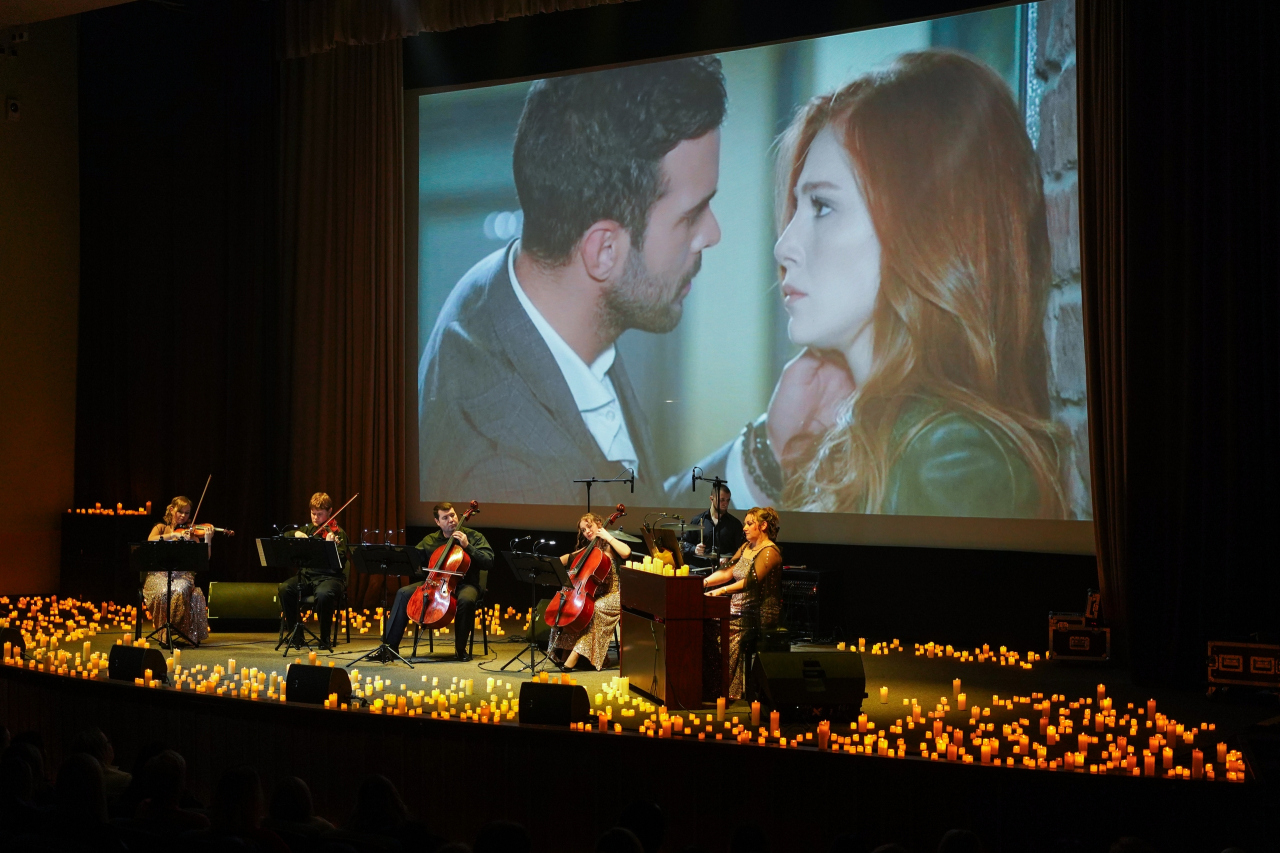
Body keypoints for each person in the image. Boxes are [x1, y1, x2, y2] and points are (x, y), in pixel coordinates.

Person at [701, 50, 1068, 519]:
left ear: (924, 227)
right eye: (797, 208)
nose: (784, 246)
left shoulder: (950, 461)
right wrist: (771, 450)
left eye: (822, 206)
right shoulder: (870, 443)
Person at [418, 57, 727, 505]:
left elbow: (635, 508)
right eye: (691, 215)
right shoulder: (512, 480)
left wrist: (762, 452)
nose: (712, 234)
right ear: (604, 251)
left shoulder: (511, 289)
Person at [382, 502, 494, 662]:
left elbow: (488, 561)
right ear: (437, 522)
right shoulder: (430, 540)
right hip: (435, 583)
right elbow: (413, 559)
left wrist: (467, 546)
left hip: (466, 584)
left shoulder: (473, 537)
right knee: (403, 593)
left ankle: (460, 650)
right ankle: (390, 648)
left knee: (466, 600)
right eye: (445, 517)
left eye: (453, 515)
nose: (451, 520)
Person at [702, 507, 781, 699]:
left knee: (722, 628)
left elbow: (749, 583)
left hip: (757, 614)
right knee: (705, 622)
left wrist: (721, 591)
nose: (744, 527)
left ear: (763, 526)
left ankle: (725, 688)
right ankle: (710, 685)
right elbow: (727, 572)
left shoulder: (769, 551)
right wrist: (703, 583)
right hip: (737, 608)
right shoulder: (746, 547)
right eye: (745, 523)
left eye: (749, 524)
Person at [548, 513, 632, 671]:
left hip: (614, 595)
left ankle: (575, 656)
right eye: (583, 530)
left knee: (596, 609)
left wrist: (607, 536)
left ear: (599, 523)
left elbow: (626, 552)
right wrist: (547, 563)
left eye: (589, 526)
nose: (587, 531)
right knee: (569, 608)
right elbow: (565, 559)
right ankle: (564, 652)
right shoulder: (588, 549)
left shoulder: (609, 545)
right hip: (594, 594)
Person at [278, 492, 350, 649]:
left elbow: (339, 562)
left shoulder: (338, 533)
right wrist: (296, 533)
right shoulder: (308, 529)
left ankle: (325, 638)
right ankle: (297, 636)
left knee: (324, 594)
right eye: (313, 513)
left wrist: (330, 546)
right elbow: (285, 535)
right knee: (285, 589)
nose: (315, 518)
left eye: (320, 514)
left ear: (330, 511)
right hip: (307, 576)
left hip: (330, 578)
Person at [144, 496, 210, 646]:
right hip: (158, 575)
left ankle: (174, 629)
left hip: (183, 576)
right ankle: (164, 633)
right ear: (172, 509)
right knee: (163, 592)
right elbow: (150, 540)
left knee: (181, 589)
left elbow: (204, 558)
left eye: (187, 513)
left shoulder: (191, 534)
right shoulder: (161, 528)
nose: (183, 516)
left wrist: (207, 539)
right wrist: (173, 535)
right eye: (180, 512)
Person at [680, 483, 742, 569]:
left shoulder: (735, 524)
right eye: (722, 500)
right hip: (699, 569)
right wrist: (694, 549)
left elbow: (741, 549)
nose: (725, 504)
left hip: (723, 571)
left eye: (728, 500)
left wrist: (728, 556)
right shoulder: (697, 520)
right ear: (711, 499)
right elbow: (684, 544)